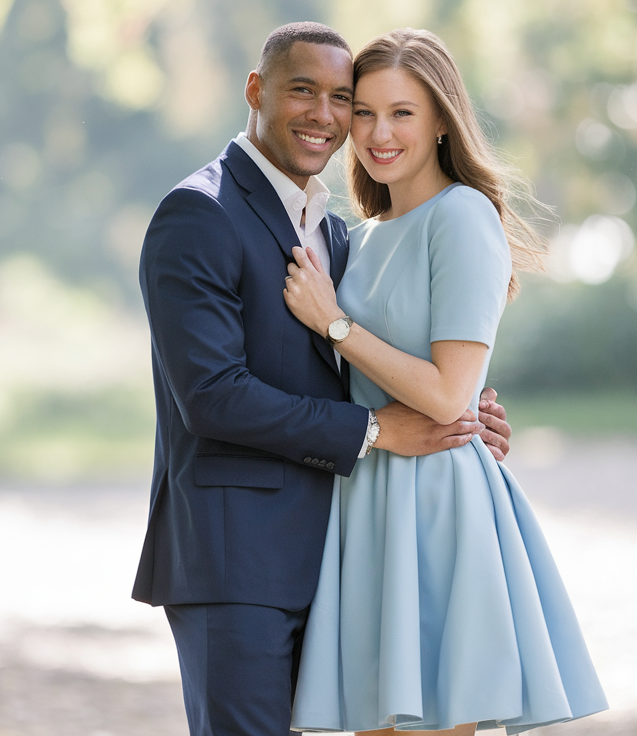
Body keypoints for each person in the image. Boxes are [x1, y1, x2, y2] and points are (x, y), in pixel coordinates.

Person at [132, 22, 514, 736]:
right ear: (256, 90)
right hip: (236, 562)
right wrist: (377, 429)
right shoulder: (200, 213)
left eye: (343, 98)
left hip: (341, 549)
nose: (326, 115)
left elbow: (380, 357)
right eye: (303, 91)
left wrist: (466, 407)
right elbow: (212, 397)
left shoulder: (337, 233)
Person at [283, 28, 607, 734]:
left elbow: (447, 394)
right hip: (366, 494)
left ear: (440, 121)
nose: (379, 133)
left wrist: (334, 323)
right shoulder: (359, 237)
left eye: (402, 112)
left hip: (435, 499)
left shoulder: (461, 215)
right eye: (364, 113)